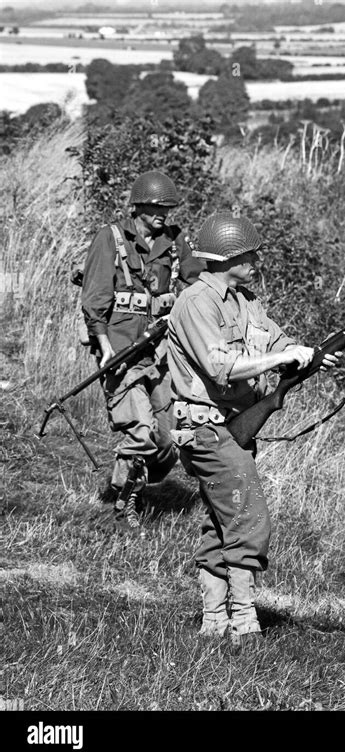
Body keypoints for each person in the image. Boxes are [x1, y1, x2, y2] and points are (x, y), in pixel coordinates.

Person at [167, 211, 341, 646]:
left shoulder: (244, 300)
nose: (257, 261)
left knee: (222, 520)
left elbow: (278, 343)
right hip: (206, 429)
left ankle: (213, 620)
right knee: (249, 516)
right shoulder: (195, 303)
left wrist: (312, 355)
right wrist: (281, 359)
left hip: (233, 428)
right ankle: (244, 621)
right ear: (229, 256)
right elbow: (220, 365)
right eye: (250, 254)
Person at [81, 170, 203, 527]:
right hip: (120, 353)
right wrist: (103, 345)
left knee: (168, 440)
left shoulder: (175, 241)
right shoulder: (111, 238)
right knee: (141, 430)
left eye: (167, 207)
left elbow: (199, 281)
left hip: (162, 354)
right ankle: (119, 507)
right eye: (156, 207)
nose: (162, 213)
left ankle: (134, 485)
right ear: (138, 205)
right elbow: (95, 300)